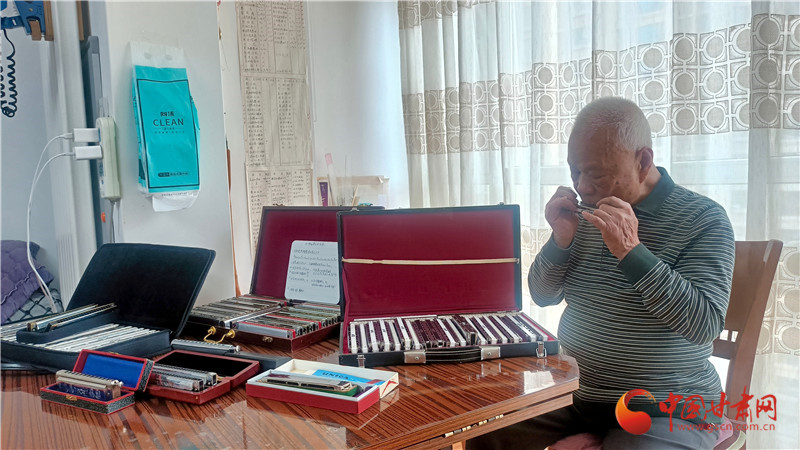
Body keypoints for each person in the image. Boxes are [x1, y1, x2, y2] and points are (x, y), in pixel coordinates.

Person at [469, 97, 735, 449]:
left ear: (643, 162)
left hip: (668, 406)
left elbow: (704, 324)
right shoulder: (586, 213)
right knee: (484, 432)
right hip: (575, 392)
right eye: (574, 171)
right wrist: (560, 241)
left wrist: (631, 251)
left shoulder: (703, 219)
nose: (582, 186)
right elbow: (543, 296)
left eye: (596, 174)